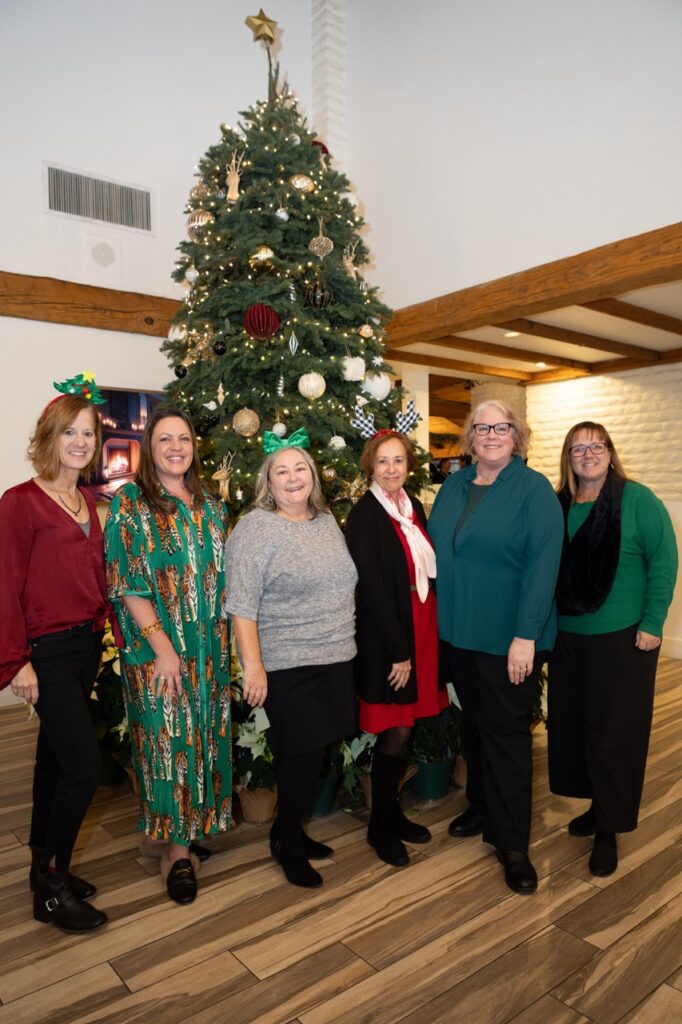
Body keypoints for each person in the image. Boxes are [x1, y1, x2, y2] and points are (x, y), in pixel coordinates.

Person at [428, 399, 563, 894]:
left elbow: (543, 567)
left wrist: (526, 636)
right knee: (475, 728)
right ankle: (481, 806)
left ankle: (512, 844)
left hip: (510, 639)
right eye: (481, 427)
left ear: (516, 435)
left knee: (506, 737)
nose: (490, 435)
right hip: (458, 634)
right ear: (470, 437)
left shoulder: (533, 490)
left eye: (500, 427)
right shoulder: (455, 485)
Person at [104, 406, 232, 905]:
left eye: (184, 439)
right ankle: (177, 855)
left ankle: (188, 829)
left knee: (202, 739)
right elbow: (127, 584)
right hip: (160, 652)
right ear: (148, 448)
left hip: (209, 651)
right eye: (165, 439)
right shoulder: (130, 504)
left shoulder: (211, 504)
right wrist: (164, 650)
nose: (176, 447)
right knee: (170, 745)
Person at [0, 373, 109, 933]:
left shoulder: (87, 500)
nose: (80, 442)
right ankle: (54, 885)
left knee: (54, 761)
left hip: (85, 645)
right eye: (70, 432)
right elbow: (5, 585)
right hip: (45, 652)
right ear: (49, 436)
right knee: (85, 768)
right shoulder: (20, 502)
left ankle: (40, 865)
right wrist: (15, 660)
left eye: (88, 433)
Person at [224, 431, 357, 889]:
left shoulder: (326, 521)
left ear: (313, 476)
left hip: (336, 656)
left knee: (317, 756)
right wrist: (253, 667)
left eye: (300, 468)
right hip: (287, 663)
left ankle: (292, 830)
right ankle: (285, 841)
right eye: (281, 471)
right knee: (300, 756)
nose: (293, 477)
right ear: (268, 482)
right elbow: (241, 605)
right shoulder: (256, 528)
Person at [548, 422, 677, 877]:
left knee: (614, 734)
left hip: (623, 637)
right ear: (568, 457)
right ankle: (595, 806)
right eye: (578, 448)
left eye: (596, 446)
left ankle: (608, 829)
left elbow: (664, 561)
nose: (588, 455)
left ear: (610, 452)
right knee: (575, 727)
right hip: (567, 636)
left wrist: (653, 622)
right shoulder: (559, 504)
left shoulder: (637, 500)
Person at [345, 430, 445, 867]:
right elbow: (371, 589)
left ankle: (392, 813)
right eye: (383, 461)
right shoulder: (365, 514)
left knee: (408, 729)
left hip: (420, 622)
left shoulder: (412, 507)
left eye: (398, 461)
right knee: (396, 731)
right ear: (371, 465)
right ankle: (379, 827)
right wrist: (399, 651)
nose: (391, 469)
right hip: (391, 634)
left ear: (408, 465)